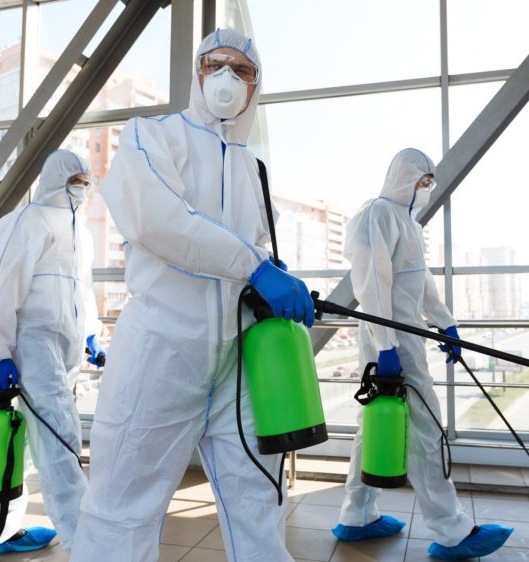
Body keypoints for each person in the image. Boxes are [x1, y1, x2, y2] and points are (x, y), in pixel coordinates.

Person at [71, 29, 314, 562]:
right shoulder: (151, 135)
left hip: (238, 357)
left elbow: (249, 246)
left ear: (255, 87)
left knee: (258, 502)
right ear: (197, 73)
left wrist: (268, 269)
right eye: (215, 65)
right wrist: (254, 265)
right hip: (161, 349)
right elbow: (160, 220)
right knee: (122, 508)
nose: (227, 77)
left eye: (241, 70)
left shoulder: (252, 167)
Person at [332, 148, 513, 560]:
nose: (424, 188)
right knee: (425, 430)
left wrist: (445, 321)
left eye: (429, 181)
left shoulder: (408, 224)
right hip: (391, 339)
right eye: (419, 180)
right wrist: (386, 347)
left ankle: (356, 516)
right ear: (402, 176)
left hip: (404, 337)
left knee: (374, 425)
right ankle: (452, 532)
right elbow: (371, 284)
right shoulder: (376, 214)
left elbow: (420, 281)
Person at [0, 149, 106, 557]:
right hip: (33, 341)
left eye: (86, 180)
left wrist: (90, 335)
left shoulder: (80, 232)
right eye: (75, 179)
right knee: (58, 434)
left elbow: (81, 290)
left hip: (64, 345)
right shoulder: (32, 222)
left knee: (30, 445)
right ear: (55, 179)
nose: (82, 187)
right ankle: (83, 537)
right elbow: (5, 285)